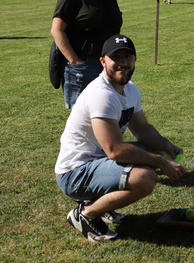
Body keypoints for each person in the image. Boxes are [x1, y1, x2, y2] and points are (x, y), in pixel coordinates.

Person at [55, 34, 186, 242]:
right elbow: (115, 150)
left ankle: (102, 203)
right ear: (103, 61)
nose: (122, 63)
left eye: (127, 56)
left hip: (98, 161)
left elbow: (141, 128)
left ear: (135, 60)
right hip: (74, 173)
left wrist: (167, 146)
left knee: (158, 149)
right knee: (145, 177)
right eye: (115, 57)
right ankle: (85, 214)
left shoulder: (130, 89)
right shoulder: (102, 95)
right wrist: (160, 162)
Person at [51, 0, 123, 109]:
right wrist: (75, 62)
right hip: (83, 67)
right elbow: (57, 29)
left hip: (108, 66)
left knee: (107, 115)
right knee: (84, 120)